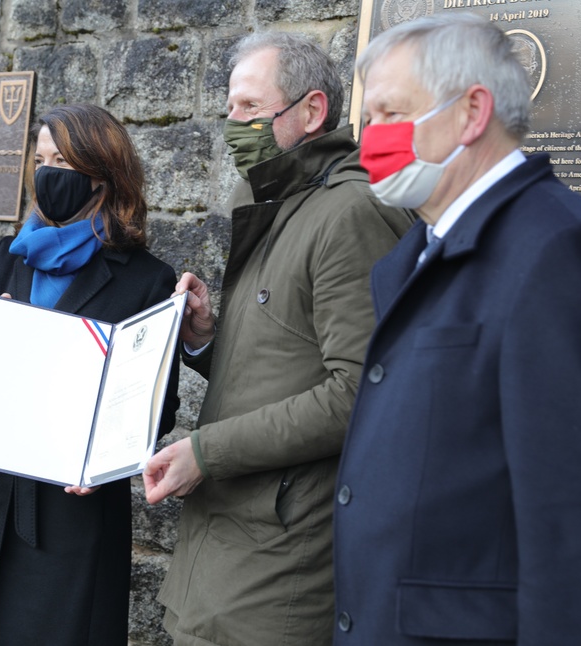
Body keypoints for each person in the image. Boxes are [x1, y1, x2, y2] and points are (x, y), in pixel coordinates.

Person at [331, 13, 581, 645]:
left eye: (391, 114)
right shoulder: (412, 256)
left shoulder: (561, 249)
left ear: (471, 111)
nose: (371, 139)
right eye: (369, 120)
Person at [142, 31, 414, 645]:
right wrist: (208, 338)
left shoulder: (349, 212)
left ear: (312, 111)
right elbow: (281, 363)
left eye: (248, 108)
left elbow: (359, 393)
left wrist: (205, 453)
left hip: (280, 559)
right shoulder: (276, 197)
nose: (231, 123)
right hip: (224, 549)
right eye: (230, 106)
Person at [0, 103, 181, 646]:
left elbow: (157, 408)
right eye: (40, 159)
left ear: (101, 174)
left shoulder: (146, 281)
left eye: (62, 160)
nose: (47, 173)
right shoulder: (8, 259)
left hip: (69, 520)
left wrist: (107, 460)